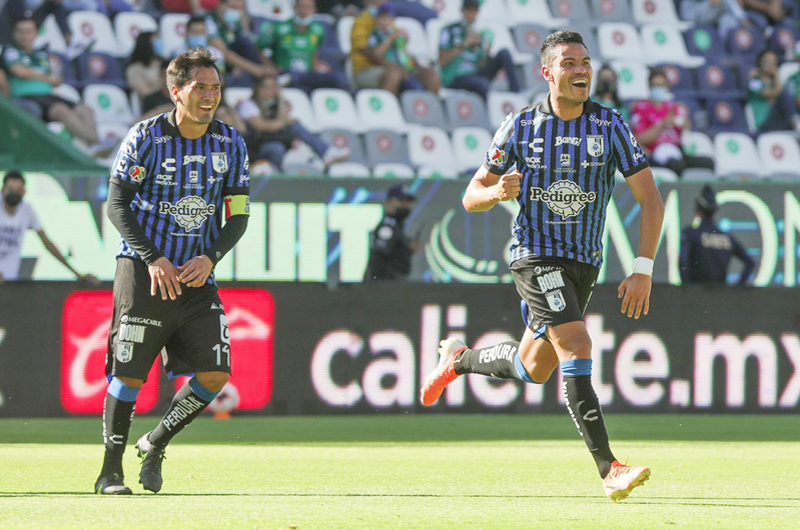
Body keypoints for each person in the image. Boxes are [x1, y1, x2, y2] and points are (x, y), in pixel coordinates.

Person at [420, 31, 665, 502]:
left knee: (533, 368)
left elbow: (650, 200)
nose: (581, 70)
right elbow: (471, 196)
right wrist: (495, 193)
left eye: (586, 62)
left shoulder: (610, 126)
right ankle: (609, 467)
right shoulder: (519, 128)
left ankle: (458, 359)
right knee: (576, 343)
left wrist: (643, 267)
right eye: (569, 62)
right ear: (547, 72)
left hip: (584, 263)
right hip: (534, 254)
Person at [94, 48, 250, 495]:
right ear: (175, 90)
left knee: (217, 373)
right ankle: (110, 473)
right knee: (128, 375)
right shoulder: (145, 137)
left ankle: (156, 441)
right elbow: (116, 204)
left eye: (215, 88)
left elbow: (237, 215)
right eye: (200, 87)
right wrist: (153, 257)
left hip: (197, 276)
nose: (209, 96)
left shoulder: (231, 143)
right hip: (145, 272)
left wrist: (211, 258)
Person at [3, 17, 112, 155]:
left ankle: (94, 145)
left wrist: (53, 81)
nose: (25, 36)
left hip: (48, 96)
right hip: (26, 97)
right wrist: (47, 78)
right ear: (14, 33)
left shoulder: (41, 55)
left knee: (85, 109)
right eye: (20, 31)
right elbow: (19, 71)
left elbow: (50, 77)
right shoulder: (10, 51)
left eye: (29, 31)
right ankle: (96, 143)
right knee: (61, 110)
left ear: (36, 33)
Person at [0, 170, 98, 283]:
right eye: (10, 190)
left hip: (9, 282)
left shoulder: (26, 210)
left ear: (24, 192)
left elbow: (48, 244)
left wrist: (76, 273)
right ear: (3, 190)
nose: (14, 194)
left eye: (18, 190)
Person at [236, 75, 350, 170]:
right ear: (257, 88)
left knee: (294, 128)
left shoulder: (274, 105)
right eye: (264, 87)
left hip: (277, 140)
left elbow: (282, 119)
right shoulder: (248, 105)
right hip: (256, 146)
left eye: (272, 88)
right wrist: (284, 121)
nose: (267, 91)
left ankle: (325, 153)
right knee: (277, 147)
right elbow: (262, 126)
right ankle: (274, 179)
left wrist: (280, 97)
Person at [630, 68, 714, 177]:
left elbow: (683, 132)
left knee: (708, 163)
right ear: (650, 87)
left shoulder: (672, 107)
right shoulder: (641, 108)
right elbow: (640, 139)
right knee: (676, 165)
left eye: (662, 85)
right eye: (656, 85)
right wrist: (662, 125)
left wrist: (685, 126)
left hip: (677, 150)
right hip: (656, 151)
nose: (659, 88)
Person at [256, 0, 351, 93]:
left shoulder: (318, 30)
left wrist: (316, 64)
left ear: (314, 10)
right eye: (301, 6)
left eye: (308, 7)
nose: (304, 11)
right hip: (285, 72)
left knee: (338, 78)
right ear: (294, 8)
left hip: (308, 74)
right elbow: (259, 48)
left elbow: (315, 51)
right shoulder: (279, 28)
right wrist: (271, 67)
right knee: (292, 77)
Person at [438, 0, 521, 99]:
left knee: (504, 53)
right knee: (482, 84)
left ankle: (516, 93)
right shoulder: (449, 30)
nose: (471, 14)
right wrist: (464, 44)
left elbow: (480, 64)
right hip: (455, 76)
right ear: (462, 11)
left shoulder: (478, 33)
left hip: (474, 75)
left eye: (474, 11)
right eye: (469, 10)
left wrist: (486, 51)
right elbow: (441, 61)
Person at [680, 185, 755, 284]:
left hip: (696, 294)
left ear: (697, 208)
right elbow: (750, 263)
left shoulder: (690, 234)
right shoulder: (727, 238)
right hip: (720, 295)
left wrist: (686, 288)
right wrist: (737, 290)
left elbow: (682, 261)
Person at [366, 4, 439, 94]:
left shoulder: (398, 35)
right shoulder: (375, 35)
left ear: (393, 20)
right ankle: (391, 105)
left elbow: (404, 54)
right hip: (388, 68)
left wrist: (414, 65)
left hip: (403, 68)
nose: (384, 21)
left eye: (388, 18)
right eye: (382, 18)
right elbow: (376, 55)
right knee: (396, 75)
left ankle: (431, 103)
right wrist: (390, 39)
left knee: (428, 72)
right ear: (376, 19)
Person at [364, 184, 420, 281]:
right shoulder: (387, 226)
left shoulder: (396, 226)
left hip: (393, 286)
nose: (405, 205)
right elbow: (378, 260)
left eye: (408, 202)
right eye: (401, 201)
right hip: (385, 287)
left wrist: (407, 250)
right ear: (388, 202)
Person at [205, 0, 274, 79]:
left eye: (238, 8)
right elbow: (224, 52)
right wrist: (255, 70)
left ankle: (270, 72)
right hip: (218, 62)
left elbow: (250, 44)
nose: (235, 11)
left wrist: (268, 66)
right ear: (221, 5)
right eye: (233, 7)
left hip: (236, 62)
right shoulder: (209, 20)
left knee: (247, 41)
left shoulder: (234, 23)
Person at [746, 48, 799, 132]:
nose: (770, 64)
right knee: (785, 94)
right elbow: (774, 94)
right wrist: (776, 74)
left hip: (781, 122)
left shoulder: (775, 84)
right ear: (760, 62)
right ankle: (796, 123)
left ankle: (796, 123)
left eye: (773, 62)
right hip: (764, 124)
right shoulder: (753, 82)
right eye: (767, 61)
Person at [126, 32, 166, 101]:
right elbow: (145, 93)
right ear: (145, 44)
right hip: (154, 103)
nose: (160, 43)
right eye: (156, 40)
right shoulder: (135, 69)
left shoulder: (164, 64)